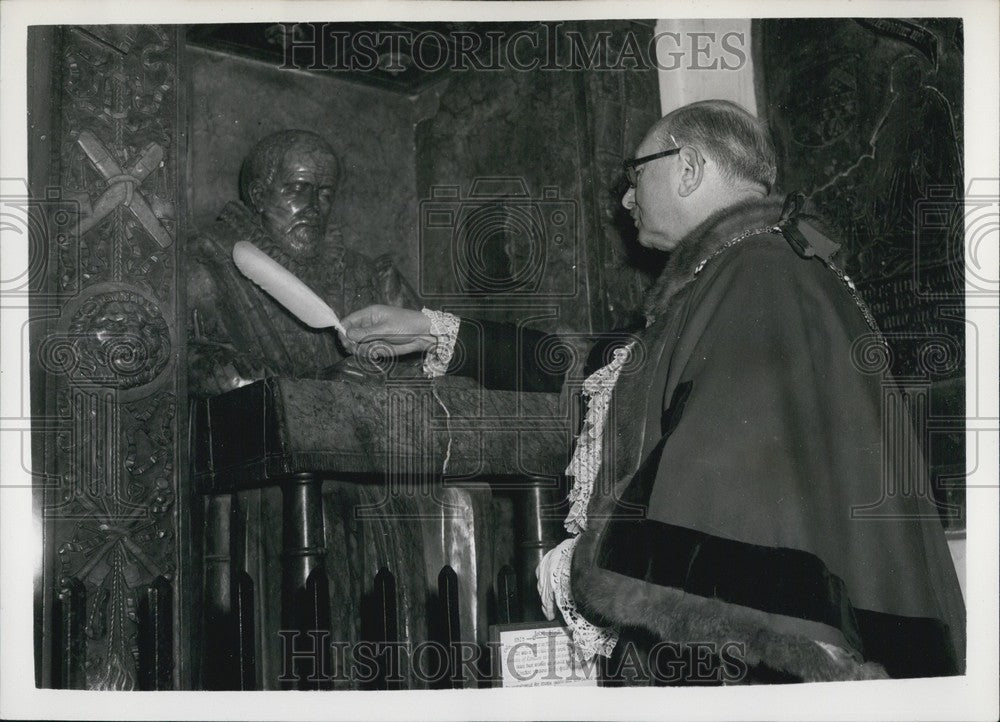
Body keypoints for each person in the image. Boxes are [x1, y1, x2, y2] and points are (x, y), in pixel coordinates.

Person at [338, 100, 966, 683]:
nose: (626, 196)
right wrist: (433, 331)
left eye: (637, 173)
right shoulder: (740, 272)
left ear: (689, 168)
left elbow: (726, 466)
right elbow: (603, 364)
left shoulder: (760, 274)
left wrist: (593, 554)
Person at [186, 129, 418, 397]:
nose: (313, 206)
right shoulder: (206, 259)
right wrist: (315, 388)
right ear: (259, 196)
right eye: (297, 189)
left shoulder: (371, 275)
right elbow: (191, 366)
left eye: (325, 194)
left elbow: (430, 368)